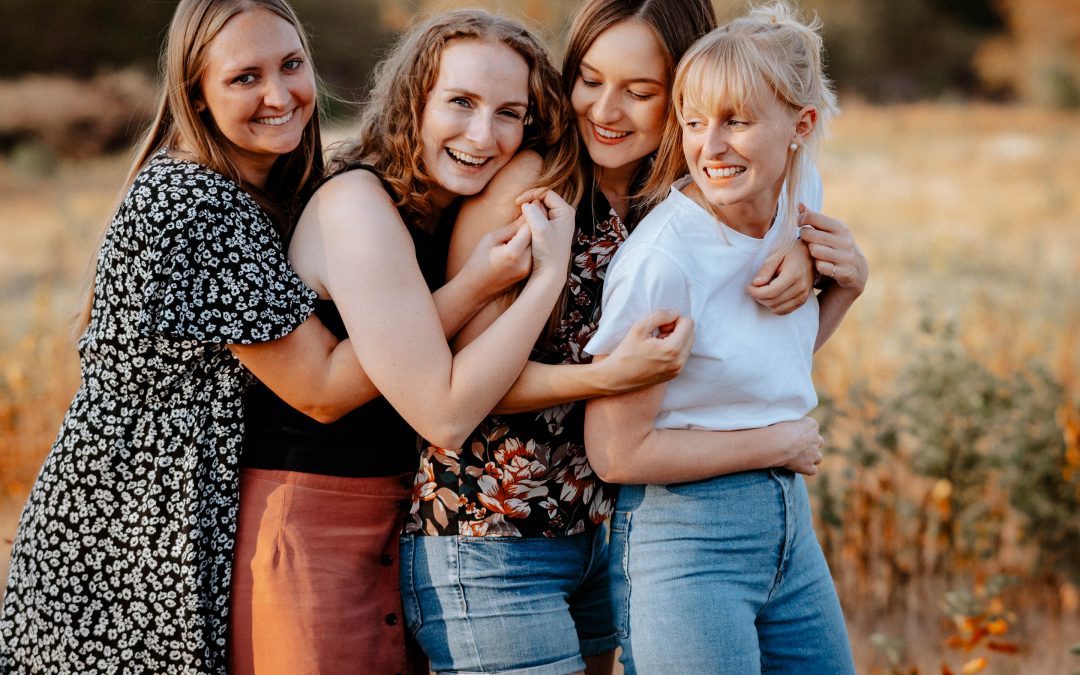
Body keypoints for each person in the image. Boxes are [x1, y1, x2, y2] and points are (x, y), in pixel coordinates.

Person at [399, 1, 858, 673]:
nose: (605, 110)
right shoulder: (531, 186)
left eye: (639, 92)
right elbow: (463, 381)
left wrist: (808, 254)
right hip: (495, 534)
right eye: (589, 80)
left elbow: (723, 360)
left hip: (597, 532)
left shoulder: (681, 189)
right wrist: (607, 376)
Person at [0, 0, 407, 671]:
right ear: (196, 95)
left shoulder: (253, 189)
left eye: (291, 64)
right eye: (245, 77)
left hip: (159, 521)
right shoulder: (194, 204)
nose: (279, 94)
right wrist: (470, 287)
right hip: (127, 543)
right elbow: (323, 389)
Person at [228, 10, 579, 675]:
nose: (483, 135)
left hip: (400, 518)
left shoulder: (447, 211)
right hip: (312, 525)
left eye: (509, 113)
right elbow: (443, 412)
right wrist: (543, 279)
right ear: (413, 101)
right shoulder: (358, 204)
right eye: (461, 102)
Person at [583, 2, 867, 673]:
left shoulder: (800, 194)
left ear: (801, 126)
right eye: (693, 122)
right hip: (685, 539)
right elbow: (616, 452)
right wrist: (776, 443)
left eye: (736, 122)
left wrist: (847, 284)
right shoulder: (662, 263)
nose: (709, 148)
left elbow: (763, 364)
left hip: (788, 525)